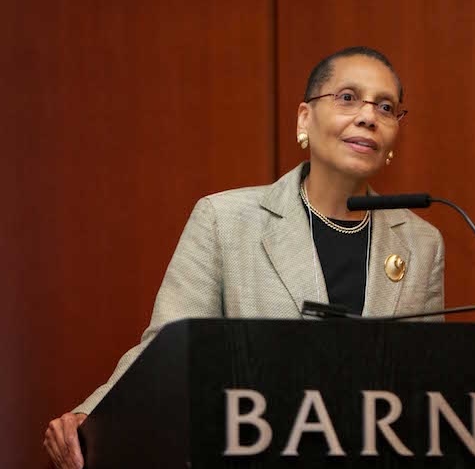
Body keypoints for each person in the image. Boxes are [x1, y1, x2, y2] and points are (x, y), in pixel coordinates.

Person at [43, 46, 445, 469]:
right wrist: (92, 416)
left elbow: (429, 386)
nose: (368, 116)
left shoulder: (421, 242)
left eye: (386, 106)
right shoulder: (225, 220)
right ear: (304, 118)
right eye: (347, 97)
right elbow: (167, 346)